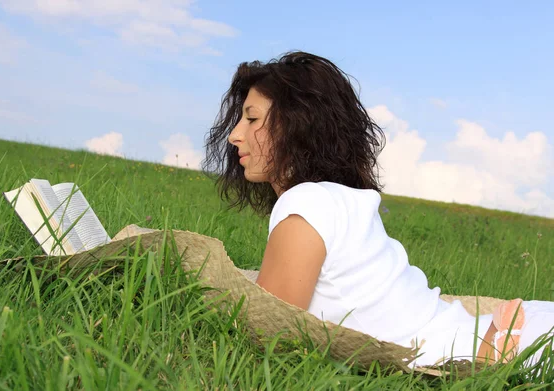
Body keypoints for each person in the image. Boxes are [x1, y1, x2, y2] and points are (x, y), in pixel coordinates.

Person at [202, 51, 554, 369]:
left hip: (506, 348)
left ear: (297, 123)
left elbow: (267, 332)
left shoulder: (303, 203)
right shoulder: (343, 198)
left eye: (251, 119)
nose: (235, 135)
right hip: (512, 329)